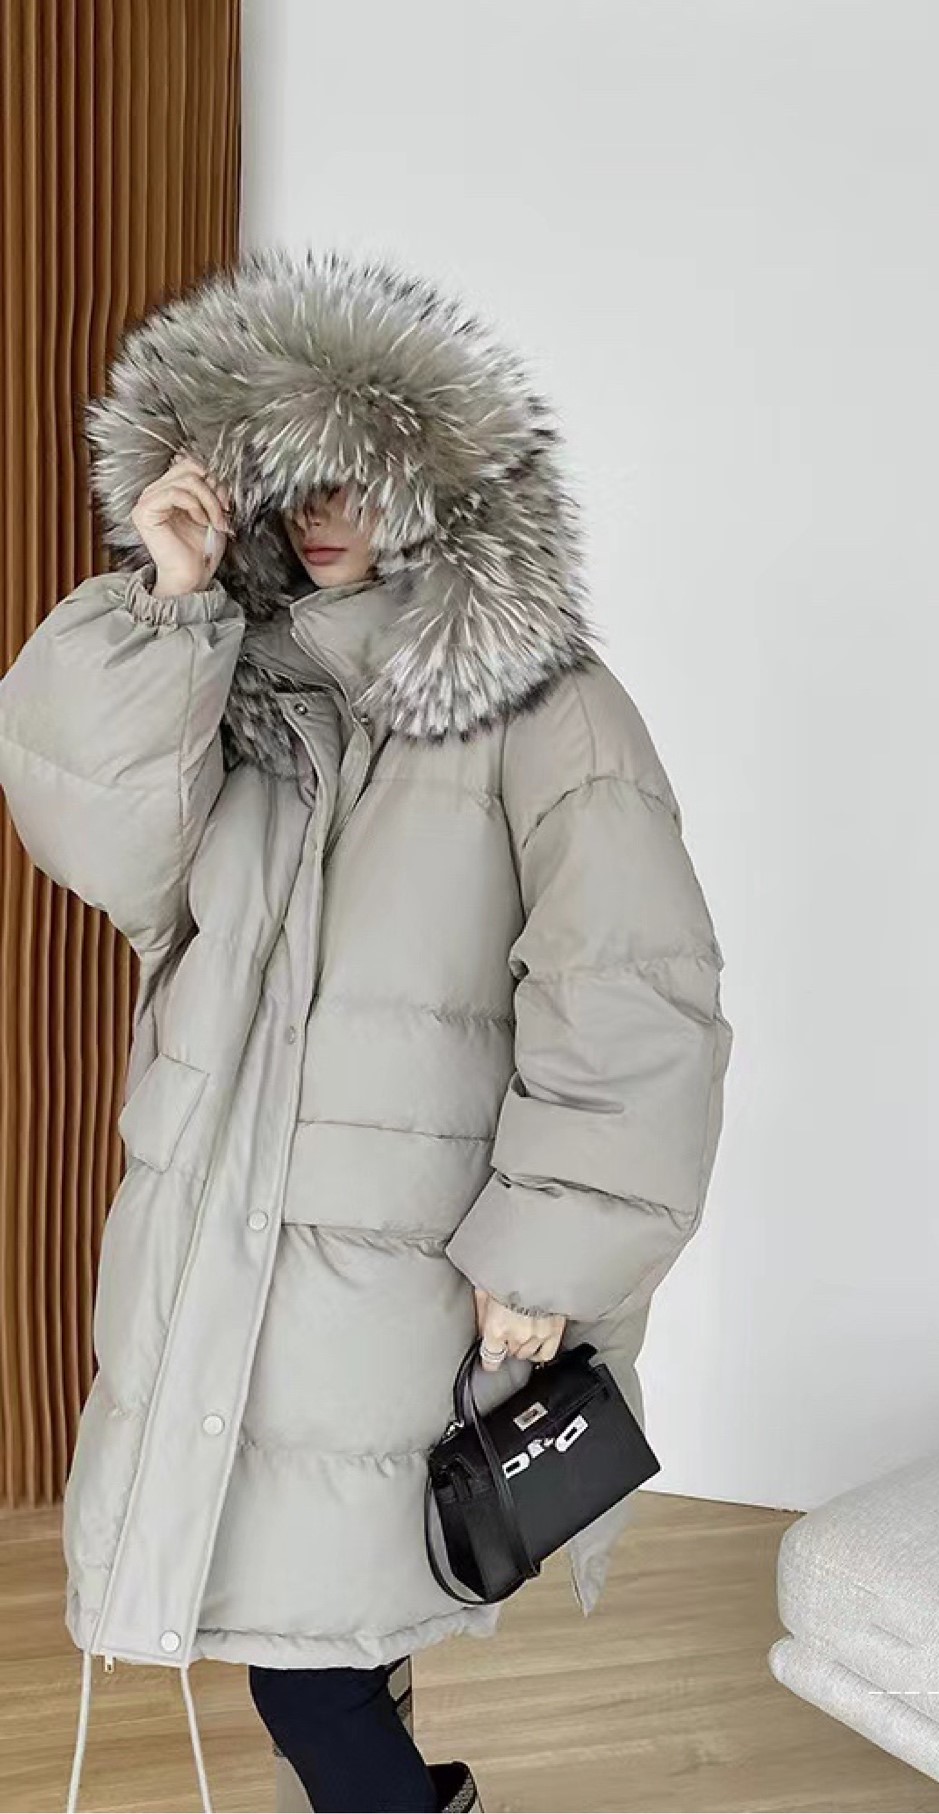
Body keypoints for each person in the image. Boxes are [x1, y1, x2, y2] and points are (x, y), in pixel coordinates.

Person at [0, 247, 733, 1813]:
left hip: (403, 1264)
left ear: (436, 482)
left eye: (357, 474)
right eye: (294, 477)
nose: (324, 512)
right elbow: (97, 839)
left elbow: (632, 982)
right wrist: (170, 604)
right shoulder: (235, 684)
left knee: (308, 1652)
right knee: (327, 1611)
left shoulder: (545, 703)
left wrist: (554, 1242)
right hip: (224, 1236)